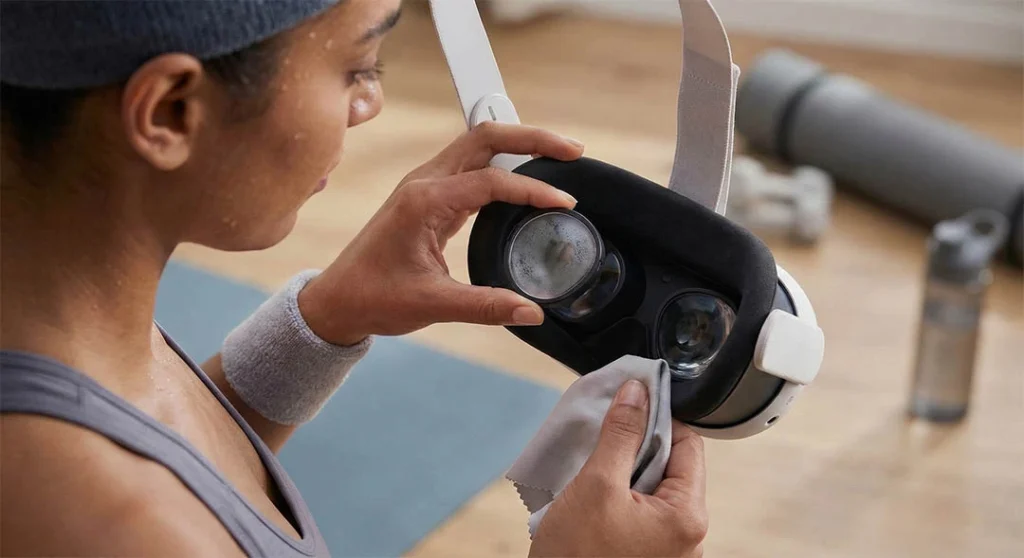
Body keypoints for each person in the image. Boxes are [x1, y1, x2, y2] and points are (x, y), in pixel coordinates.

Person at [0, 0, 709, 556]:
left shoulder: (56, 300)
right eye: (359, 65)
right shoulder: (112, 527)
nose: (368, 104)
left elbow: (187, 472)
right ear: (170, 111)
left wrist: (323, 321)